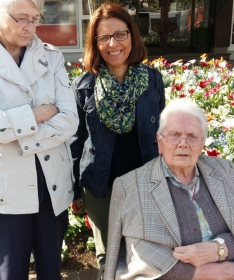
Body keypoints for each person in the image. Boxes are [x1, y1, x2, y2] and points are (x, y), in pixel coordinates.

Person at [0, 0, 78, 279]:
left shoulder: (51, 56)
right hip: (3, 190)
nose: (30, 26)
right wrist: (38, 114)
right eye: (21, 18)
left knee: (51, 270)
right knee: (10, 273)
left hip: (49, 184)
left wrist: (8, 127)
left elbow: (69, 120)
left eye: (35, 18)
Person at [105, 98, 234, 280]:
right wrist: (204, 273)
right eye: (174, 135)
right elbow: (141, 256)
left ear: (203, 143)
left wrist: (219, 249)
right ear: (159, 142)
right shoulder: (130, 187)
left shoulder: (225, 171)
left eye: (192, 136)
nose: (183, 143)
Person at [70, 3, 165, 278]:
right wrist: (75, 192)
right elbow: (75, 142)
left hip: (145, 184)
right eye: (104, 37)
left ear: (132, 36)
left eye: (120, 34)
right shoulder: (84, 86)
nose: (113, 44)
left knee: (146, 257)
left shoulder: (152, 80)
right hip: (101, 187)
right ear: (95, 42)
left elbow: (163, 133)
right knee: (109, 261)